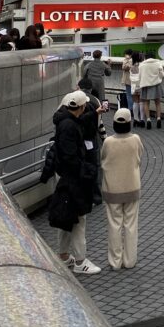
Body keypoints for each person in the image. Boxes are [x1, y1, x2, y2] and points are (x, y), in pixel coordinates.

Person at [49, 90, 101, 275]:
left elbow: (80, 122)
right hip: (72, 179)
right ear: (80, 107)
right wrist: (85, 171)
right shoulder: (69, 127)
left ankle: (63, 255)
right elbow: (71, 156)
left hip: (64, 176)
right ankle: (80, 260)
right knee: (79, 218)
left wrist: (95, 113)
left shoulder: (65, 120)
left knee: (66, 217)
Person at [101, 107, 144, 270]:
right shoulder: (136, 139)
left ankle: (115, 261)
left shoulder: (108, 142)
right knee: (131, 225)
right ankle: (130, 260)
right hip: (132, 187)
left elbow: (103, 159)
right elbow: (139, 157)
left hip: (112, 189)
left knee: (114, 224)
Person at [139, 53, 164, 129]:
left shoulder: (142, 65)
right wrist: (157, 79)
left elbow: (140, 76)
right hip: (156, 85)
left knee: (146, 103)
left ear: (145, 58)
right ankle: (158, 118)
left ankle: (148, 120)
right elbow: (162, 74)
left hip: (145, 85)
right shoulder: (158, 63)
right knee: (158, 103)